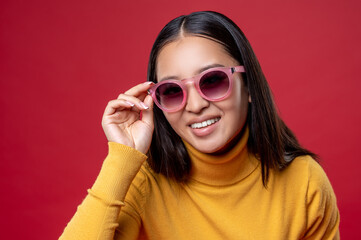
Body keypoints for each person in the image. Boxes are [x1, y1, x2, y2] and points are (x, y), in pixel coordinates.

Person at [59, 11, 340, 239]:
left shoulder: (304, 182)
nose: (194, 106)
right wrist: (121, 159)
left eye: (213, 80)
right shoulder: (143, 182)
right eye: (172, 91)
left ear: (250, 84)